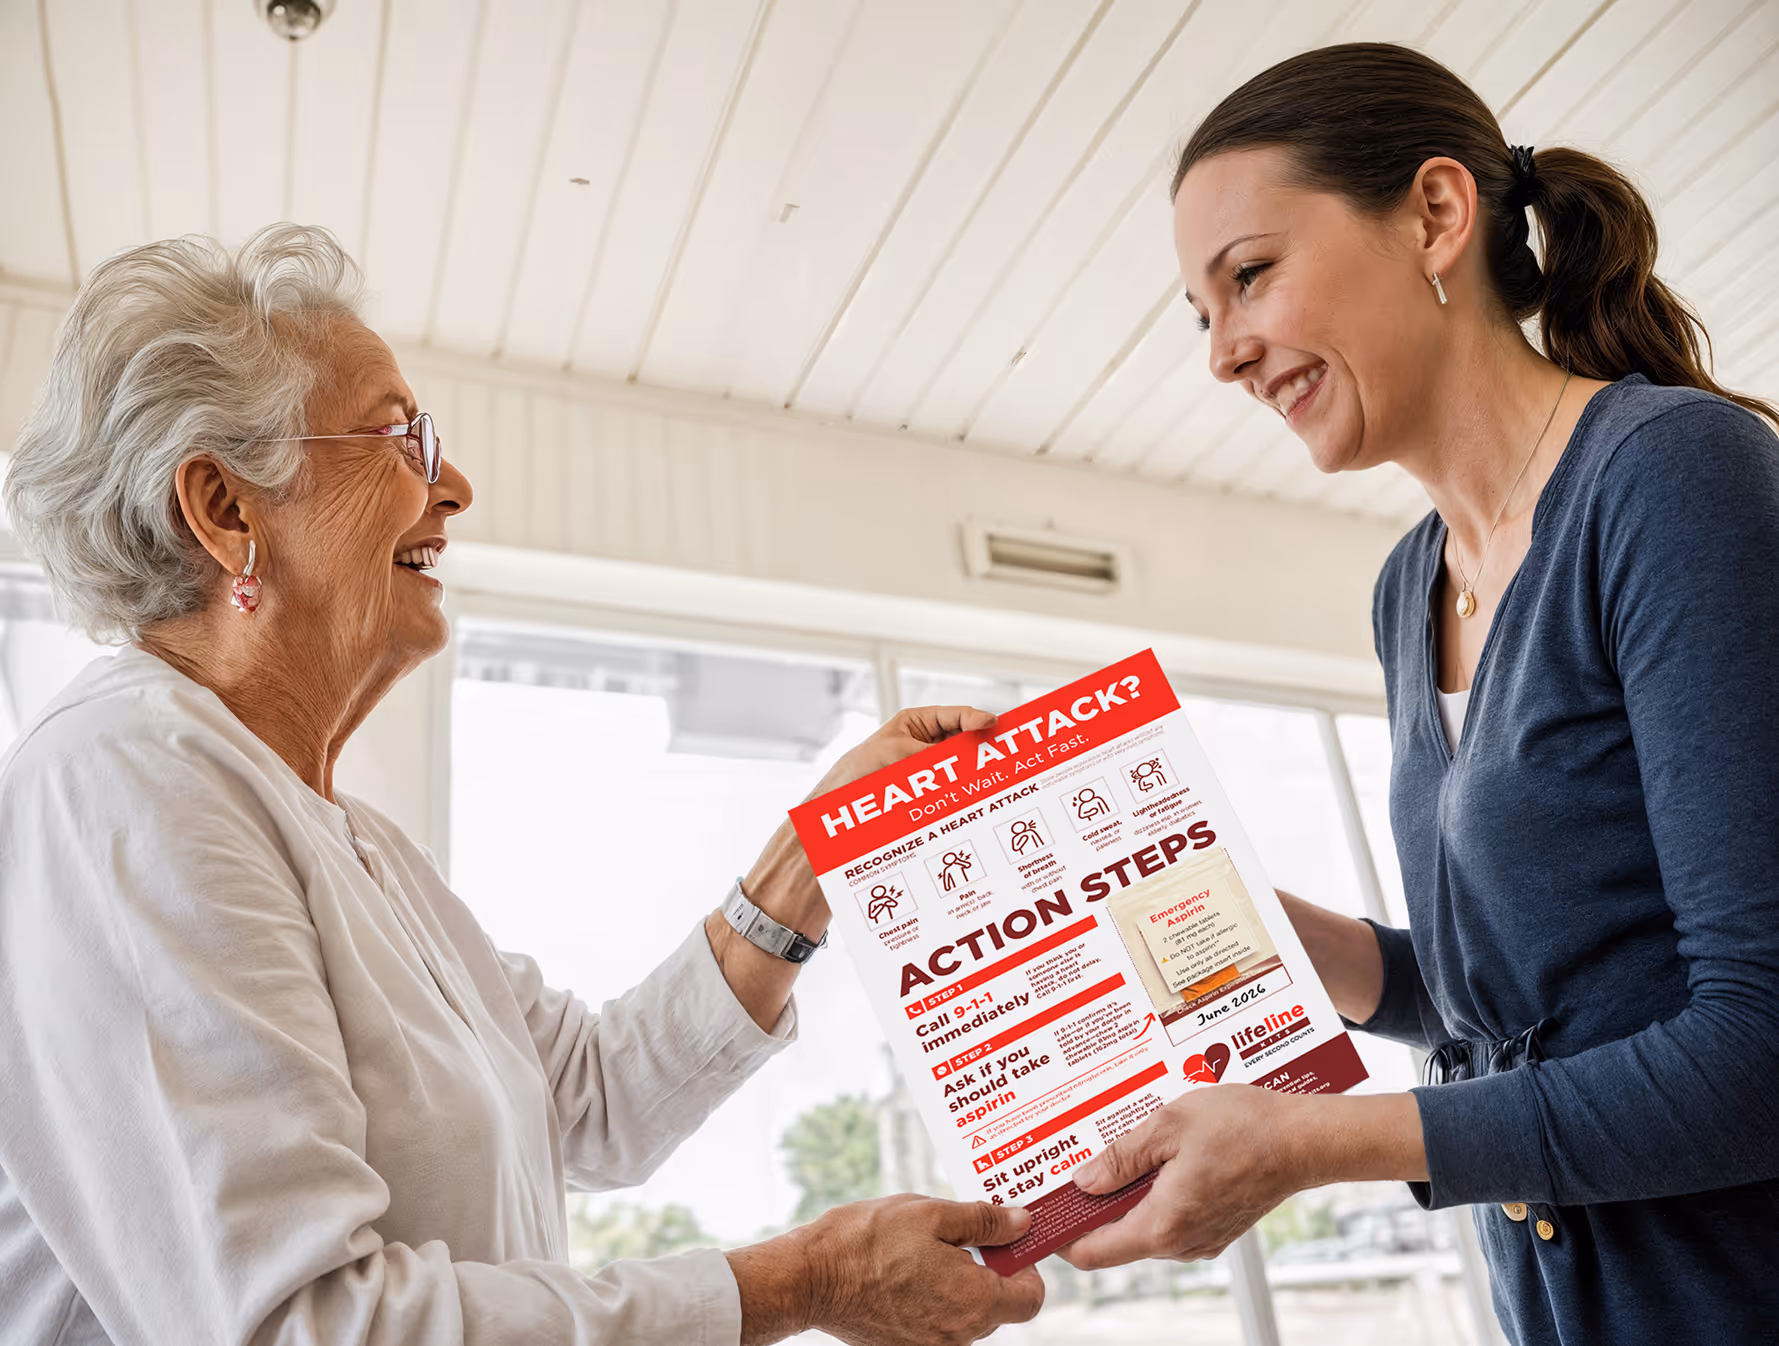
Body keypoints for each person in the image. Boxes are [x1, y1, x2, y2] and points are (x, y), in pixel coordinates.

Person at [0, 225, 1045, 1346]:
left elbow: (593, 1100)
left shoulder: (355, 844)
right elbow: (300, 1325)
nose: (451, 483)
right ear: (225, 507)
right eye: (400, 436)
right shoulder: (125, 784)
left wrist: (814, 853)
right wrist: (802, 1281)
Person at [1052, 41, 1779, 1346]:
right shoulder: (1407, 588)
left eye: (1249, 276)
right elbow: (1516, 1004)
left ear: (1435, 215)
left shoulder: (1668, 477)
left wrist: (1307, 1141)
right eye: (1199, 314)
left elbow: (1758, 1047)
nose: (1221, 353)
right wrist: (1273, 941)